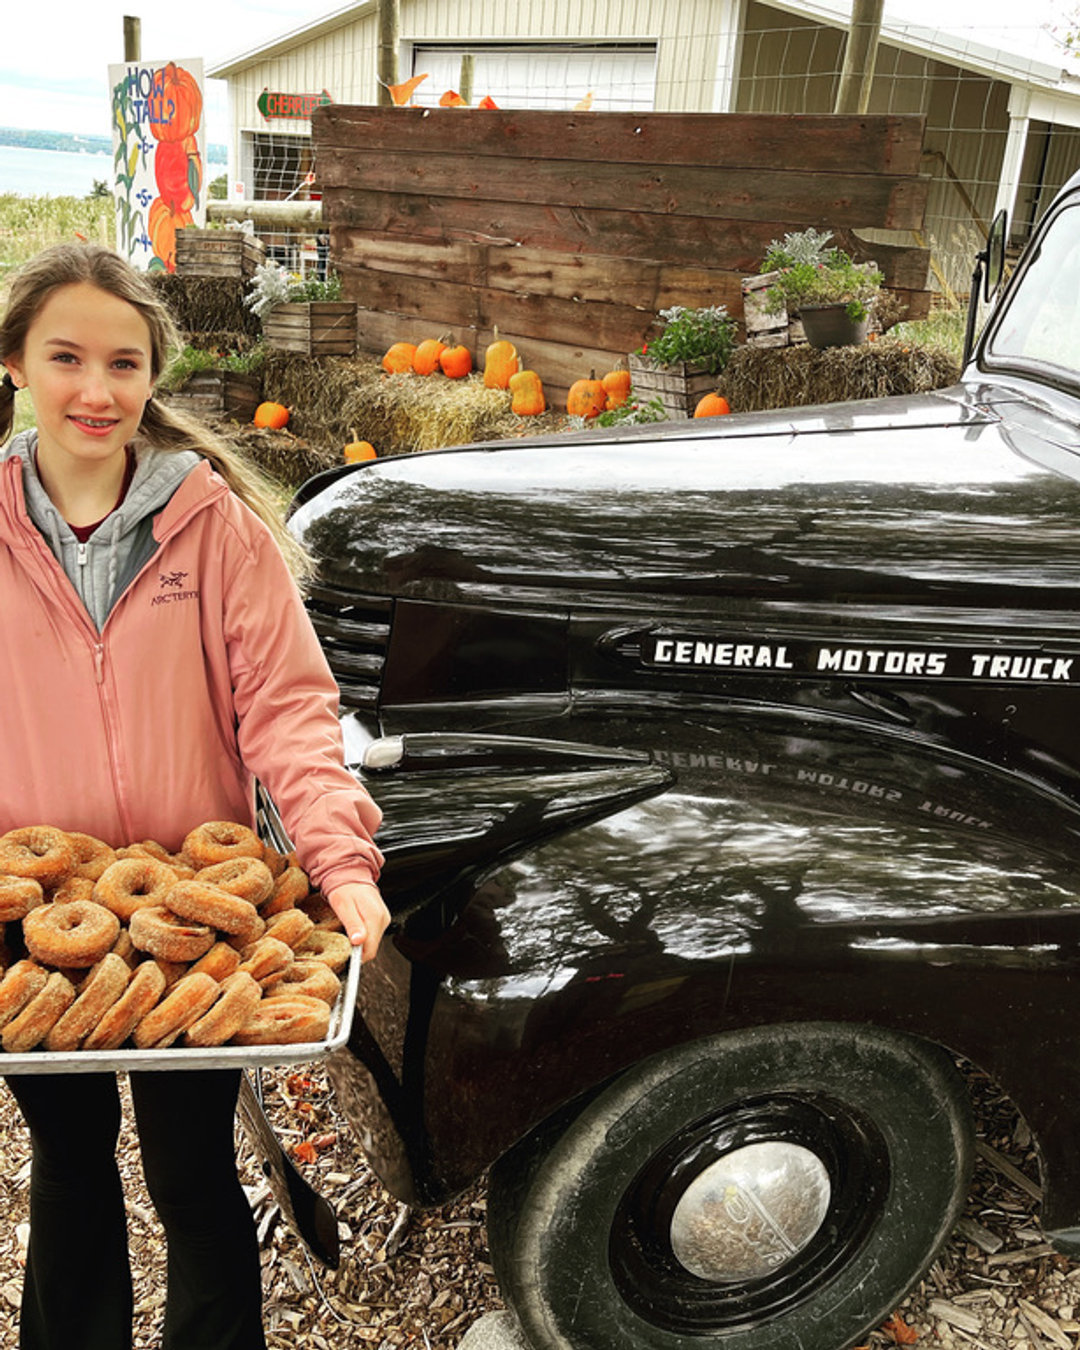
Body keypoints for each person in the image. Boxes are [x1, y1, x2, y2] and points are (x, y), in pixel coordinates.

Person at [0, 241, 390, 1350]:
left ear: (152, 379)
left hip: (196, 919)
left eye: (125, 364)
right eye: (66, 356)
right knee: (69, 1161)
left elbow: (288, 712)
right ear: (15, 363)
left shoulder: (210, 528)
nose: (97, 389)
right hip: (33, 933)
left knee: (188, 1161)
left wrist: (339, 862)